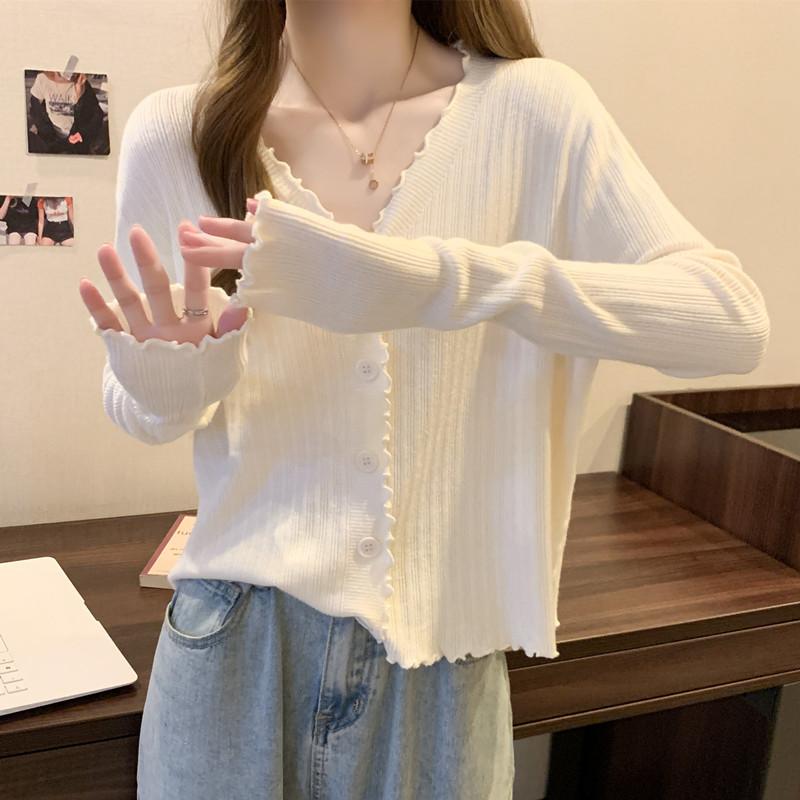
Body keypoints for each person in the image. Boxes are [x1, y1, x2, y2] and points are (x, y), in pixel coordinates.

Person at [78, 1, 770, 798]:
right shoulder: (182, 131)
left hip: (442, 660)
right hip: (233, 647)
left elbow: (729, 320)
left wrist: (433, 281)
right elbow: (145, 412)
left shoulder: (531, 110)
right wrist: (174, 369)